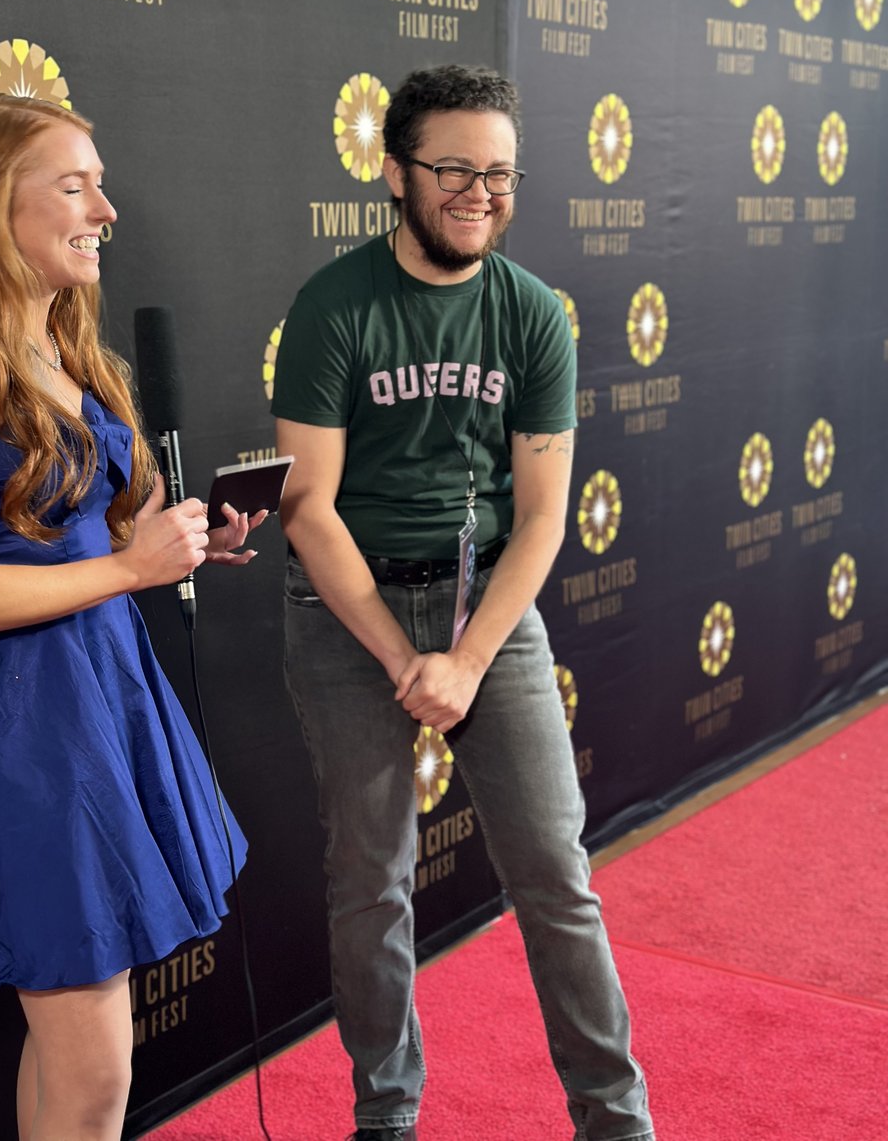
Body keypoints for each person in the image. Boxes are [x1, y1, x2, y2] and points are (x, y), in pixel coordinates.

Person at [272, 65, 655, 1141]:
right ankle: (385, 1115)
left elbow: (542, 517)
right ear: (394, 173)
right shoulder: (333, 307)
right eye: (453, 170)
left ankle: (616, 1120)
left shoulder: (530, 313)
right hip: (347, 609)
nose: (479, 193)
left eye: (499, 174)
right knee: (370, 879)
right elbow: (307, 508)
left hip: (485, 604)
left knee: (555, 872)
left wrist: (469, 658)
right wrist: (405, 659)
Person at [0, 92, 264, 1141]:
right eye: (74, 185)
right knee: (93, 1069)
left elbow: (88, 535)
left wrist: (179, 538)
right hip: (28, 733)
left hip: (100, 698)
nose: (106, 209)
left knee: (77, 1061)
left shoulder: (59, 342)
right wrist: (131, 568)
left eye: (100, 184)